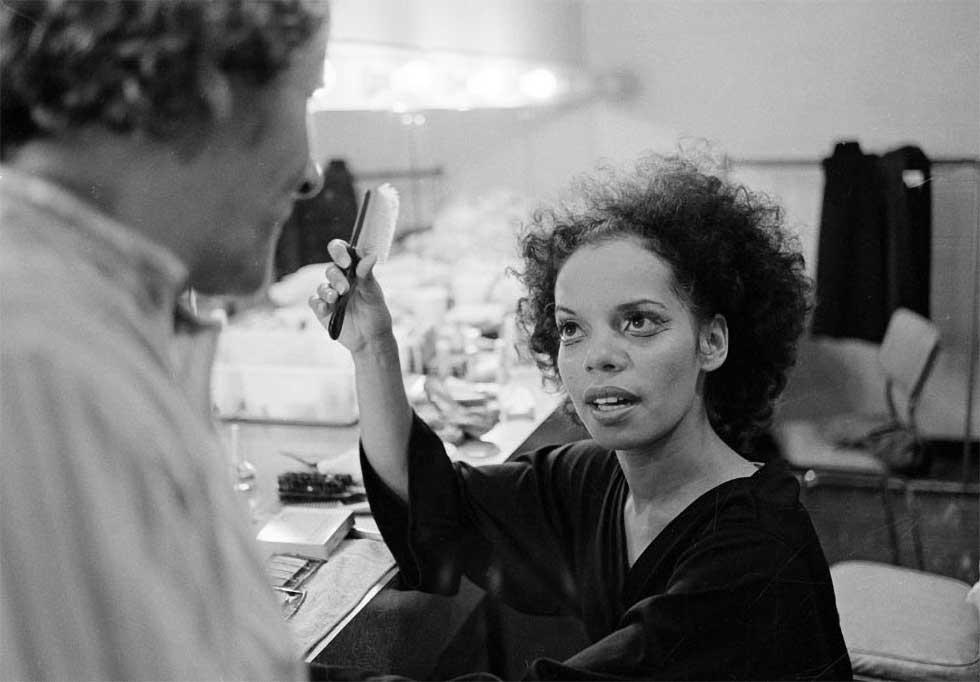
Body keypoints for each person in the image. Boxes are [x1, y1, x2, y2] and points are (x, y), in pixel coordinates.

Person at [309, 153, 853, 680]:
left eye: (638, 322)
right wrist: (373, 346)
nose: (598, 355)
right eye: (572, 328)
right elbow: (438, 506)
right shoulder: (600, 479)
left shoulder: (752, 553)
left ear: (711, 342)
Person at [1, 1, 329, 679]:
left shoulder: (97, 322)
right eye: (307, 95)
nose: (312, 175)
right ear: (206, 84)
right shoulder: (40, 362)